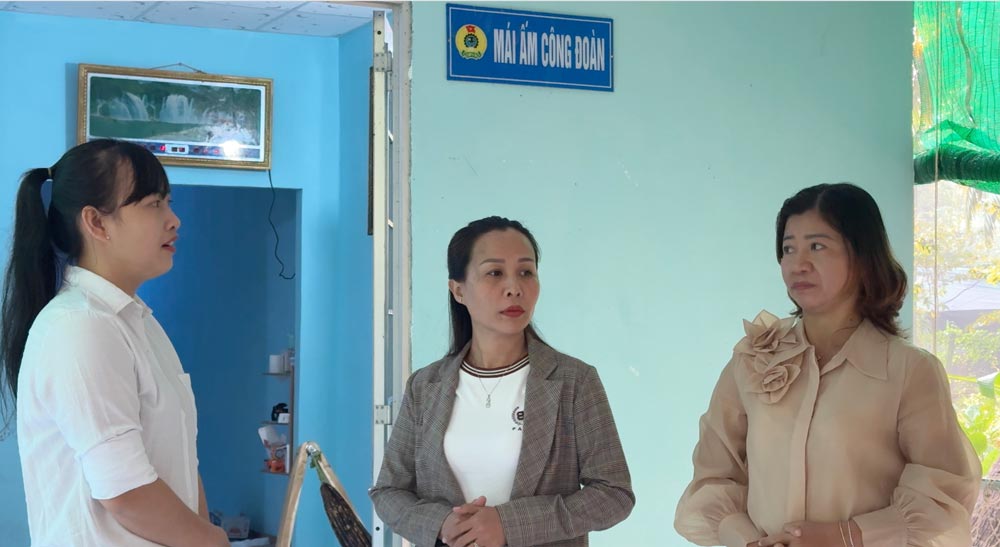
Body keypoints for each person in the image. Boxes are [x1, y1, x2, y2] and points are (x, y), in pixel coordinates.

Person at [674, 182, 981, 547]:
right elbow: (714, 476)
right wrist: (747, 540)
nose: (798, 264)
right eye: (789, 249)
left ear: (862, 254)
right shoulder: (750, 361)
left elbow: (942, 496)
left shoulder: (909, 371)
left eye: (817, 246)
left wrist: (846, 536)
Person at [1, 139, 229, 546]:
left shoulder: (135, 322)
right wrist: (213, 542)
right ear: (97, 223)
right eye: (153, 204)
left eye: (169, 202)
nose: (174, 220)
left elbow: (180, 466)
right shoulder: (80, 325)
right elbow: (126, 492)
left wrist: (206, 533)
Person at [370, 216, 634, 547]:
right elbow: (389, 492)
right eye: (495, 273)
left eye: (526, 272)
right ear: (459, 290)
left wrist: (508, 524)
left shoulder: (574, 381)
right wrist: (442, 523)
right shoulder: (425, 386)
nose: (514, 287)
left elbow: (614, 494)